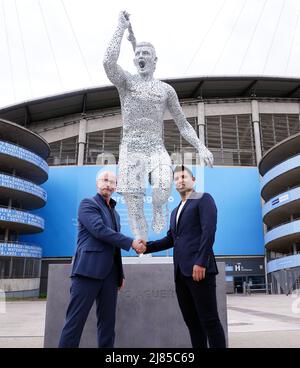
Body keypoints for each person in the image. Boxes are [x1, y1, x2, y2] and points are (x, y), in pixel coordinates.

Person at [103, 11, 214, 241]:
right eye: (139, 53)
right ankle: (142, 246)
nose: (142, 56)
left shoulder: (166, 90)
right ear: (135, 60)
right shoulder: (126, 83)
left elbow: (183, 124)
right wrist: (120, 28)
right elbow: (107, 62)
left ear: (154, 61)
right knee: (133, 203)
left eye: (147, 53)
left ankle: (158, 206)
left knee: (163, 187)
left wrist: (201, 146)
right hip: (130, 147)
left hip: (155, 147)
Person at [142, 165, 226, 348]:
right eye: (176, 178)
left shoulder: (203, 198)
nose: (180, 180)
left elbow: (209, 230)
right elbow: (171, 239)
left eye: (183, 176)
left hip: (199, 271)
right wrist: (145, 248)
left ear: (193, 180)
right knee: (193, 324)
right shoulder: (175, 211)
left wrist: (201, 261)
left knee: (210, 321)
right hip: (180, 274)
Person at [58, 170, 145, 348]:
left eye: (112, 181)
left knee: (107, 326)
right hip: (86, 273)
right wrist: (131, 242)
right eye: (105, 180)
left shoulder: (116, 214)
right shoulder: (87, 204)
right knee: (74, 324)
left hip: (110, 277)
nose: (108, 184)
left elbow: (113, 247)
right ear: (97, 183)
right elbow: (99, 230)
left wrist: (119, 275)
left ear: (116, 186)